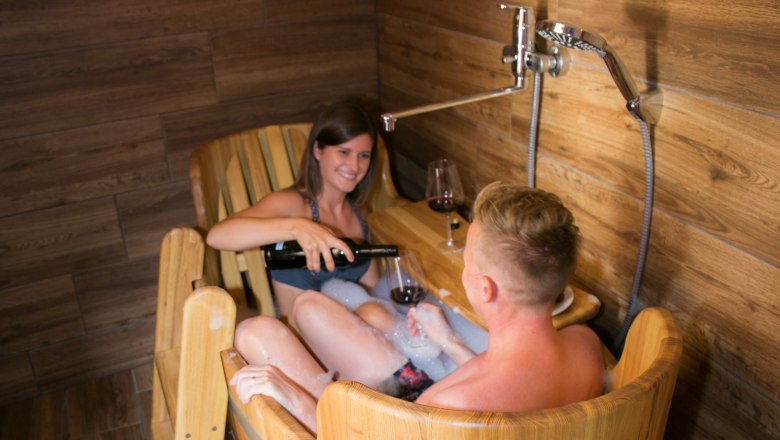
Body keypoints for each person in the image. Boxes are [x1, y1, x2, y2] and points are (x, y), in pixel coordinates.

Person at [230, 181, 604, 433]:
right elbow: (509, 377)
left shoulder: (446, 405)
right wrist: (450, 343)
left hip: (390, 424)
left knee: (254, 332)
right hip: (427, 401)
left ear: (485, 289)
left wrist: (290, 394)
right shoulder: (586, 346)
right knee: (307, 308)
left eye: (468, 261)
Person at [206, 101, 382, 316]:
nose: (355, 166)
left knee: (377, 313)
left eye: (363, 155)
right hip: (299, 342)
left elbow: (376, 294)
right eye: (344, 152)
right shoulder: (293, 205)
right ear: (318, 150)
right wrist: (298, 228)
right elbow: (217, 236)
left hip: (354, 336)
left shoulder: (360, 215)